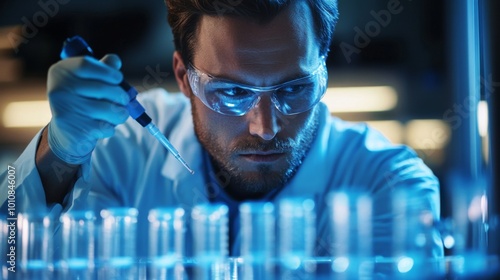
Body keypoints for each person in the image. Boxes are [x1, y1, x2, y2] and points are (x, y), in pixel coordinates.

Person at [1, 0, 443, 271]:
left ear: (323, 71)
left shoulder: (388, 183)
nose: (265, 127)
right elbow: (10, 257)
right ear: (183, 76)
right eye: (232, 93)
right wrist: (56, 153)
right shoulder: (119, 144)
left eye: (294, 89)